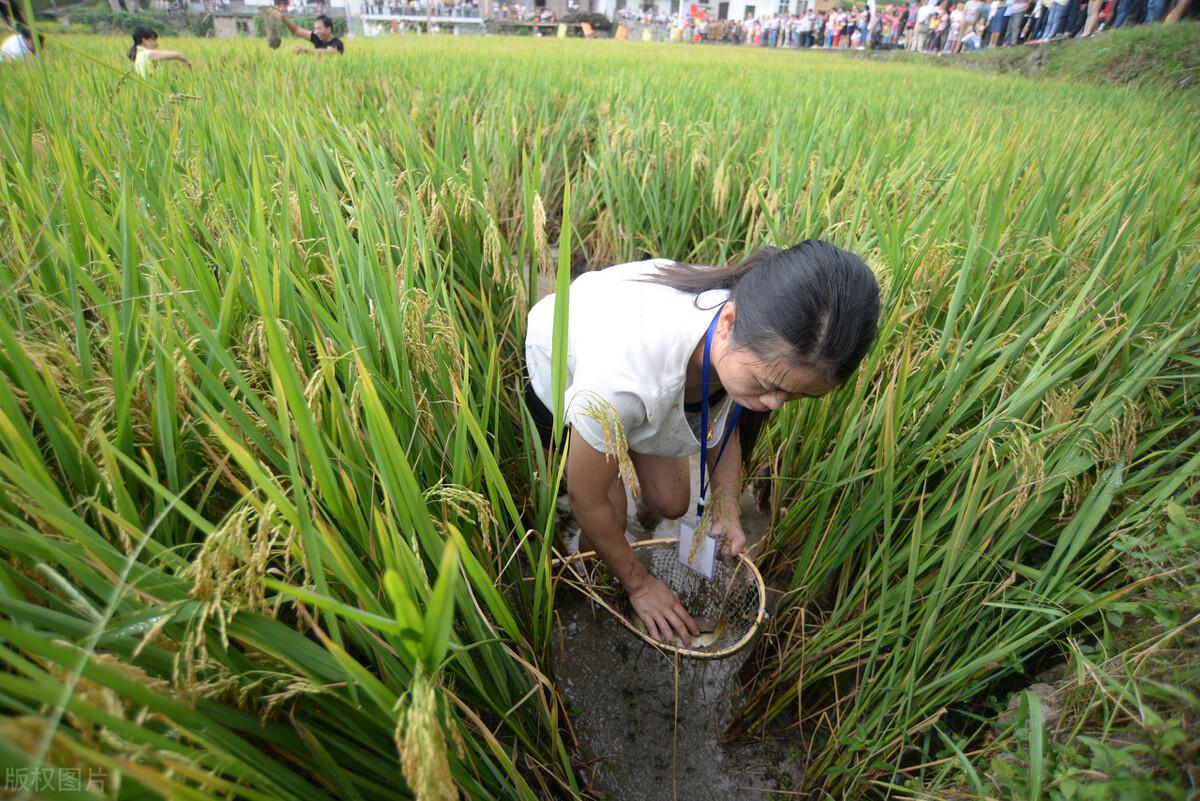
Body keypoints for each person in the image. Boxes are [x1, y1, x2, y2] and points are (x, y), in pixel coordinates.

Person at [523, 243, 880, 646]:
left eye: (797, 395)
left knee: (673, 502)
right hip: (562, 356)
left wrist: (726, 509)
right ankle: (588, 583)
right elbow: (587, 501)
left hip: (644, 371)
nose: (775, 404)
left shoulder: (763, 317)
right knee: (611, 517)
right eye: (768, 386)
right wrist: (639, 585)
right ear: (726, 322)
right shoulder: (619, 384)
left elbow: (725, 415)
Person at [263, 8, 345, 55]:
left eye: (319, 28)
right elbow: (296, 30)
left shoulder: (337, 43)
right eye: (315, 28)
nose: (316, 31)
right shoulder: (317, 37)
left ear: (329, 29)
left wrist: (306, 51)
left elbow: (328, 53)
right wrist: (282, 18)